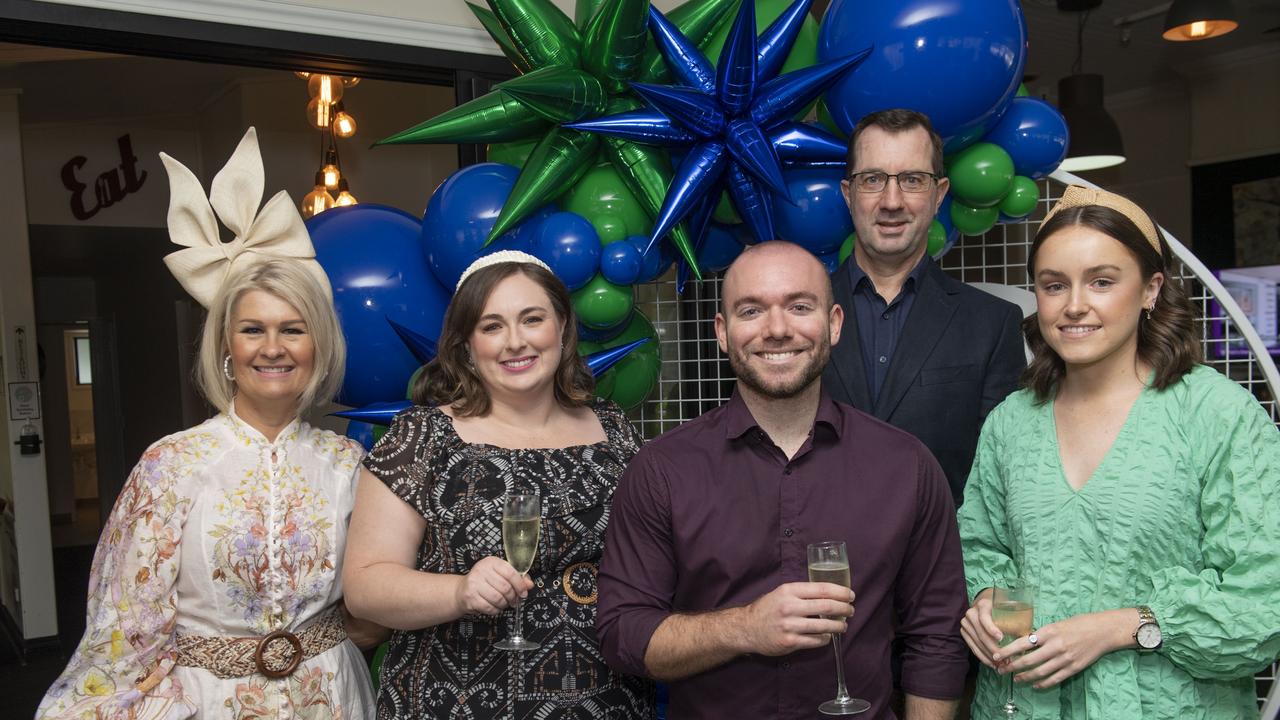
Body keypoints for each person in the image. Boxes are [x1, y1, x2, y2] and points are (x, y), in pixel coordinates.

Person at [38, 129, 383, 718]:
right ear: (226, 346)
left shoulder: (349, 462)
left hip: (333, 697)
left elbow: (375, 600)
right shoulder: (172, 463)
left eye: (292, 329)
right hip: (208, 704)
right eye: (253, 329)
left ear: (318, 346)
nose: (272, 348)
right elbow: (127, 624)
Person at [597, 241, 970, 719]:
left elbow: (936, 635)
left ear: (833, 324)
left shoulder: (906, 465)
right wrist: (745, 628)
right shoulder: (662, 469)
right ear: (723, 333)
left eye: (799, 306)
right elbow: (623, 635)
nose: (777, 330)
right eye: (751, 310)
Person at [958, 186, 1280, 719]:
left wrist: (1121, 626)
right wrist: (986, 599)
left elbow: (1265, 604)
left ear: (1151, 289)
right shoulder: (1010, 423)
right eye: (1053, 285)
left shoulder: (1218, 416)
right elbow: (979, 546)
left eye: (1102, 281)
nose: (1074, 305)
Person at [342, 251, 655, 719]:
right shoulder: (421, 437)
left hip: (608, 698)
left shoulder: (613, 428)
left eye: (532, 319)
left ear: (563, 329)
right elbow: (365, 587)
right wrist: (459, 592)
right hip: (453, 700)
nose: (515, 342)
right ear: (466, 344)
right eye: (491, 326)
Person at [823, 108, 1026, 504]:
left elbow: (1000, 479)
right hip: (823, 562)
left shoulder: (993, 324)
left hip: (943, 559)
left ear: (939, 194)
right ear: (849, 194)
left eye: (913, 180)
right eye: (873, 180)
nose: (892, 201)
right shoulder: (798, 317)